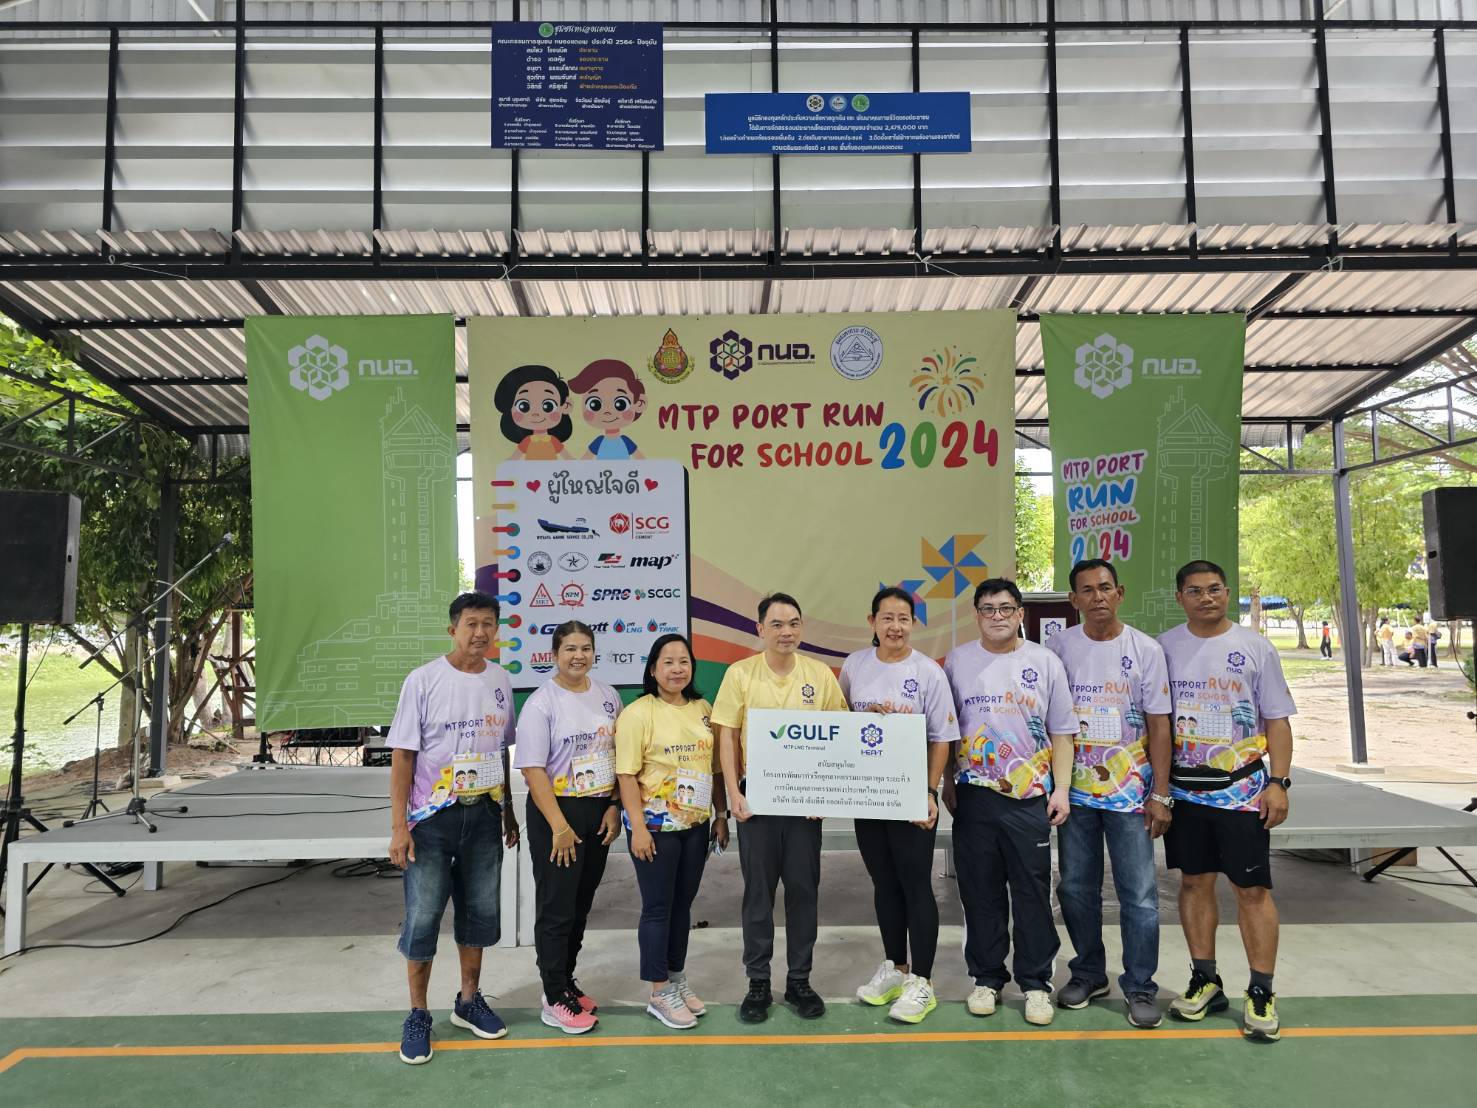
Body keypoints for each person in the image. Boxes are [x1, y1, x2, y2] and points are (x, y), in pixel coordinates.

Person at [1160, 560, 1296, 1044]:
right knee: (1194, 883)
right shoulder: (1164, 648)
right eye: (1195, 590)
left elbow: (1277, 720)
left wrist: (1278, 782)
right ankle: (1205, 979)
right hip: (1184, 792)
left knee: (1251, 890)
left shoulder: (1255, 647)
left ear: (1226, 592)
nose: (1207, 598)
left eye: (1215, 589)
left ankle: (1261, 990)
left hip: (1242, 793)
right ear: (1180, 597)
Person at [387, 591, 520, 1066]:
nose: (480, 632)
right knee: (423, 917)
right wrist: (399, 826)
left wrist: (507, 810)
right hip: (431, 820)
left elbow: (501, 750)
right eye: (470, 624)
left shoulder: (501, 680)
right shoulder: (423, 680)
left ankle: (467, 1001)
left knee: (480, 912)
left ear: (496, 630)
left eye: (488, 624)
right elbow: (403, 755)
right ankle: (418, 1013)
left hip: (484, 814)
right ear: (453, 629)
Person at [942, 578, 1076, 1027]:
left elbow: (1062, 730)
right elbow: (947, 729)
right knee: (980, 891)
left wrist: (1061, 789)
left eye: (1005, 608)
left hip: (1029, 798)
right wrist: (947, 780)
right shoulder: (958, 661)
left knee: (1032, 893)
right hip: (974, 795)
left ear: (1021, 613)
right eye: (987, 609)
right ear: (976, 615)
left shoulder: (1045, 661)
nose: (996, 616)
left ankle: (1036, 984)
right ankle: (987, 978)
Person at [1047, 559, 1173, 1029]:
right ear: (1073, 599)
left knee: (1138, 894)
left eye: (1104, 588)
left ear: (1119, 593)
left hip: (1131, 796)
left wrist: (1161, 793)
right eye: (1087, 590)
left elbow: (1159, 725)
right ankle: (1088, 973)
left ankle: (1140, 985)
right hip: (1074, 794)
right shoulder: (1057, 649)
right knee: (1076, 888)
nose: (1097, 597)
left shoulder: (1146, 650)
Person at [712, 592, 848, 1023]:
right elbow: (727, 736)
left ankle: (799, 980)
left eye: (793, 623)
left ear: (802, 628)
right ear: (760, 629)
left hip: (805, 804)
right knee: (758, 893)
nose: (786, 632)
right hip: (757, 802)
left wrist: (826, 791)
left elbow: (840, 731)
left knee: (804, 892)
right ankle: (757, 982)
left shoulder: (819, 674)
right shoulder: (740, 674)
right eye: (776, 624)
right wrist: (733, 793)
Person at [841, 587, 960, 1025]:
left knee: (915, 885)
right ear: (872, 621)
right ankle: (896, 968)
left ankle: (922, 982)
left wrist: (929, 792)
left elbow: (942, 738)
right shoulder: (855, 666)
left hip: (910, 796)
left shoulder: (927, 672)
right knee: (884, 883)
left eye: (903, 619)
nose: (895, 627)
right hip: (868, 794)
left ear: (913, 623)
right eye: (887, 618)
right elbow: (840, 723)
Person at [615, 634, 729, 1029]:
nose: (677, 669)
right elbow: (626, 775)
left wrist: (720, 815)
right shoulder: (637, 714)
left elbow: (715, 768)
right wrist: (638, 828)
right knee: (658, 907)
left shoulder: (703, 709)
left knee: (683, 906)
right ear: (652, 669)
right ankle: (658, 991)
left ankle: (676, 978)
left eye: (684, 661)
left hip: (695, 826)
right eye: (668, 662)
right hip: (656, 828)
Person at [514, 620, 623, 1034]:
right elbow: (532, 769)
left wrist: (613, 806)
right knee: (557, 906)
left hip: (597, 811)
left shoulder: (608, 696)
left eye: (586, 648)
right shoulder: (542, 703)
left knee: (580, 904)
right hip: (557, 814)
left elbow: (619, 756)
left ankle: (566, 981)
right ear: (555, 654)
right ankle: (552, 995)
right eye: (570, 649)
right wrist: (559, 826)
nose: (579, 656)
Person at [570, 358, 647, 460]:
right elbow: (584, 460)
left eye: (620, 404)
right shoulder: (598, 442)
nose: (607, 411)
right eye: (594, 404)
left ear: (639, 404)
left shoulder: (626, 442)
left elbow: (642, 460)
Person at [495, 364, 573, 461]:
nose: (536, 413)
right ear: (510, 409)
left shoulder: (553, 441)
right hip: (531, 470)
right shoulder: (527, 442)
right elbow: (514, 457)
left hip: (551, 470)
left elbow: (568, 457)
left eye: (548, 406)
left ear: (565, 406)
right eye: (524, 406)